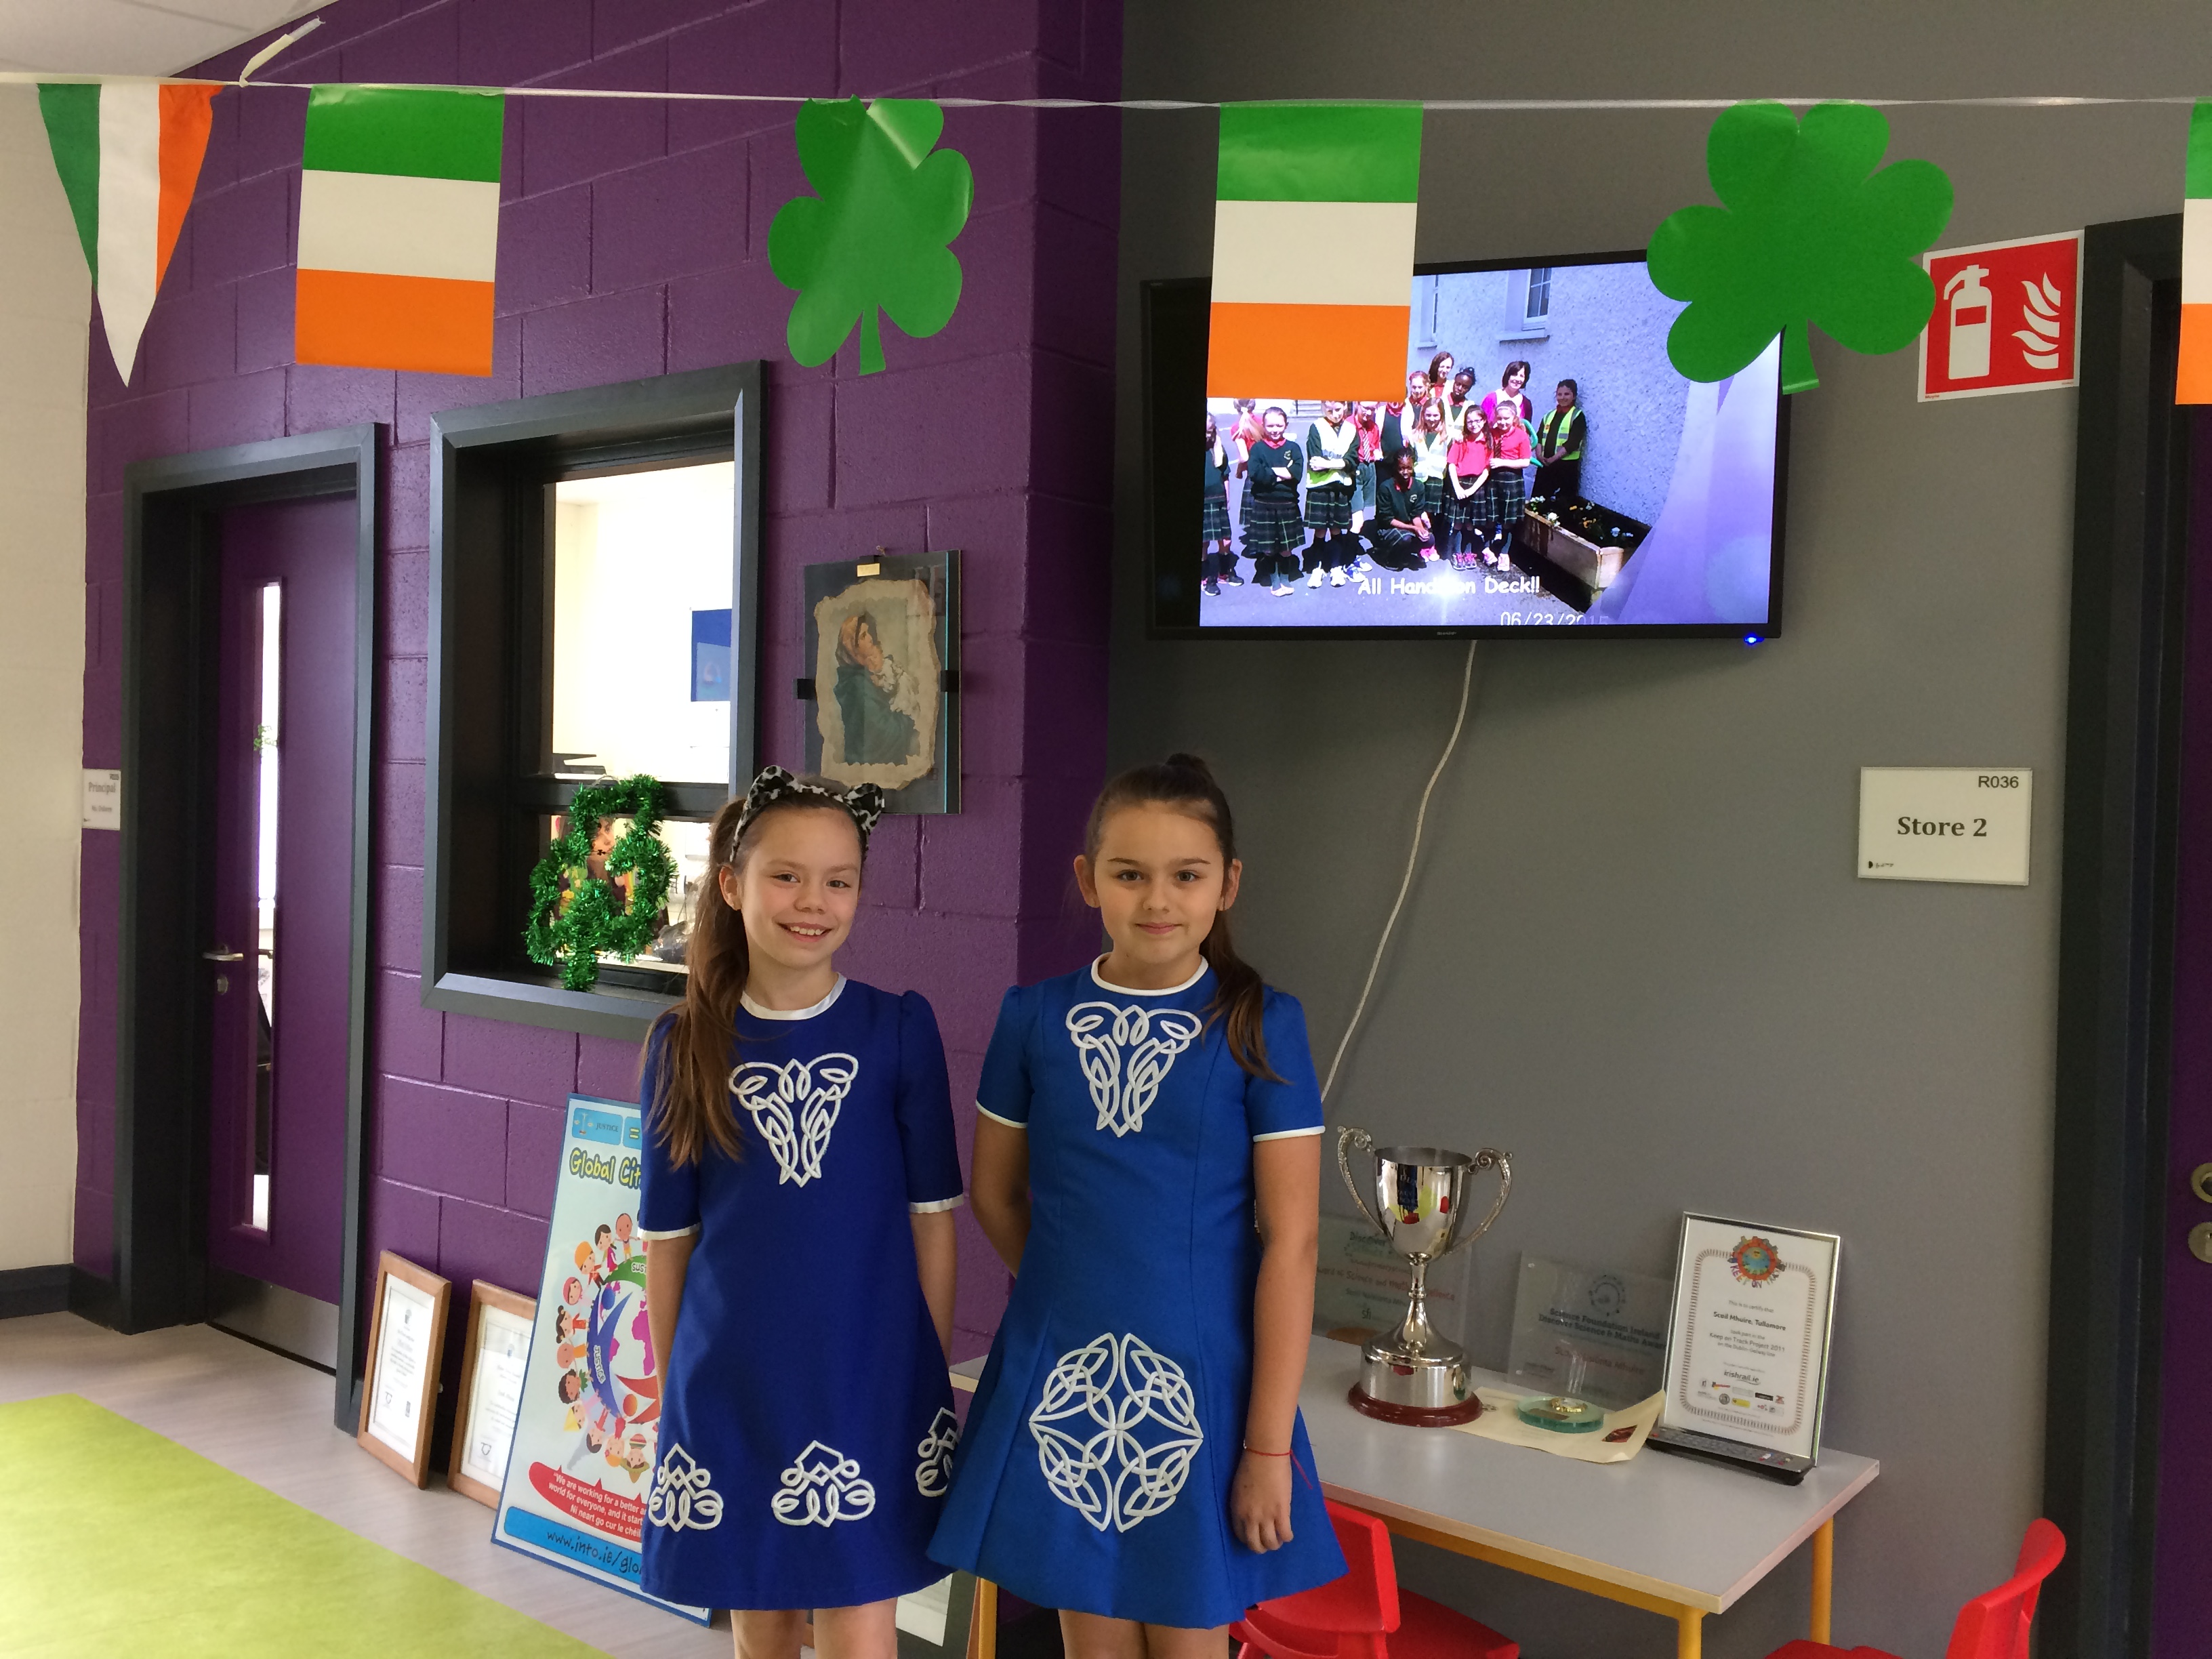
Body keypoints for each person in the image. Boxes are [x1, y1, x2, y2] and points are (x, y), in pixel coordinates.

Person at [930, 755, 1346, 1652]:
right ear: (1089, 881)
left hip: (1209, 1388)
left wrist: (1268, 1448)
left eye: (1186, 876)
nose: (1159, 900)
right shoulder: (1031, 1017)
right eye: (1130, 875)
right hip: (1067, 1380)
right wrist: (1077, 1286)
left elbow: (1294, 1243)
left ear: (1227, 884)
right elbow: (996, 1194)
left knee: (1190, 1638)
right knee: (1092, 1638)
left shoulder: (1263, 1024)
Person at [637, 767, 965, 1659]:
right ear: (732, 884)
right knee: (764, 1624)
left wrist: (925, 1368)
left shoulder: (899, 1030)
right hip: (733, 1385)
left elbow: (933, 1217)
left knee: (861, 1626)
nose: (813, 902)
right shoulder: (682, 1046)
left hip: (870, 1378)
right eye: (786, 876)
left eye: (838, 881)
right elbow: (668, 1243)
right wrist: (675, 1395)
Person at [834, 613, 918, 768]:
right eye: (863, 636)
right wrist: (907, 721)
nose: (870, 639)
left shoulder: (866, 675)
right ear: (852, 647)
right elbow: (882, 732)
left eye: (869, 633)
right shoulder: (856, 684)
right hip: (866, 766)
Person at [1239, 406, 1306, 597]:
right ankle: (1274, 579)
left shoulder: (1293, 448)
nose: (1275, 430)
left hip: (1287, 505)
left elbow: (1296, 474)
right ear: (1264, 426)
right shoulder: (1258, 449)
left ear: (1286, 425)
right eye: (1270, 426)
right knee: (1268, 548)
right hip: (1264, 505)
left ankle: (1285, 577)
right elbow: (1255, 473)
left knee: (1286, 548)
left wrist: (1270, 472)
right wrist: (1281, 473)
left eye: (1279, 425)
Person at [1301, 400, 1358, 586]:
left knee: (1336, 529)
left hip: (1341, 487)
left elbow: (1353, 460)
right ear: (1323, 408)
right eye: (1330, 410)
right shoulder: (1316, 427)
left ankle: (1336, 567)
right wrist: (1341, 464)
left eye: (1338, 409)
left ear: (1346, 407)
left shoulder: (1351, 429)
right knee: (1320, 529)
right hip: (1320, 487)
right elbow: (1315, 460)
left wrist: (1328, 464)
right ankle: (1317, 568)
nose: (1335, 414)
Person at [1475, 401, 1534, 571]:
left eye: (1506, 419)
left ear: (1514, 418)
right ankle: (1487, 549)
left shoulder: (1521, 436)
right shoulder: (1491, 433)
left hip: (1511, 480)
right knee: (1491, 517)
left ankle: (1504, 553)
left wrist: (1503, 462)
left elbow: (1525, 462)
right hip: (1493, 479)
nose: (1502, 422)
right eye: (1499, 418)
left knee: (1508, 520)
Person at [1367, 446, 1434, 571]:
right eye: (1401, 468)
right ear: (1395, 468)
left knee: (1429, 539)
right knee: (1405, 538)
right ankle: (1386, 555)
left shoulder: (1419, 486)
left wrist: (1420, 529)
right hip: (1388, 528)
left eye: (1409, 468)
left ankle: (1405, 553)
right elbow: (1388, 519)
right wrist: (1414, 529)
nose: (1405, 472)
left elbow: (1416, 514)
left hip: (1408, 526)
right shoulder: (1386, 488)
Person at [1444, 404, 1492, 571]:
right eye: (1470, 422)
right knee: (1458, 522)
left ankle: (1468, 552)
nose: (1473, 425)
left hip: (1477, 485)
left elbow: (1487, 470)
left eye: (1477, 421)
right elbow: (1451, 464)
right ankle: (1457, 553)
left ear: (1484, 421)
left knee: (1471, 523)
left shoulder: (1488, 442)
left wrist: (1473, 490)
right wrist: (1457, 487)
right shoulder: (1461, 440)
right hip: (1460, 482)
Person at [1532, 378, 1586, 503]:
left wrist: (1553, 459)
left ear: (1574, 396)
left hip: (1566, 468)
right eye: (1559, 394)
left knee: (1562, 505)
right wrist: (1539, 456)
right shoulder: (1548, 415)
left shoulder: (1578, 416)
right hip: (1545, 466)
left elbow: (1573, 443)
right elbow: (1539, 437)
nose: (1563, 397)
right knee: (1538, 502)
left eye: (1567, 394)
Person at [1202, 416, 1236, 597]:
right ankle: (1206, 578)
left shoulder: (1218, 450)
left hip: (1219, 500)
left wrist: (1227, 499)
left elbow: (1225, 476)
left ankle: (1224, 573)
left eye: (1210, 431)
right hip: (1204, 502)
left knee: (1226, 540)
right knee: (1204, 543)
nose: (1208, 435)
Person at [1409, 398, 1452, 530]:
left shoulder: (1448, 436)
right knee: (1418, 513)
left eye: (1435, 415)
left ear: (1441, 415)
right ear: (1423, 415)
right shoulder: (1415, 434)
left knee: (1433, 517)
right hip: (1419, 480)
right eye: (1428, 415)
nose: (1432, 419)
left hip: (1437, 481)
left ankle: (1432, 541)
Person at [1481, 361, 1536, 433]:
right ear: (1508, 376)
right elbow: (1481, 424)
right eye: (1514, 375)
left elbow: (1527, 431)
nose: (1517, 379)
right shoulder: (1491, 398)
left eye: (1521, 376)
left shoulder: (1526, 404)